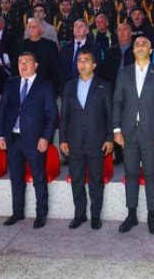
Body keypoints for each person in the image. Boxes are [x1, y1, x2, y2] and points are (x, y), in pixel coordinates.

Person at [113, 36, 154, 234]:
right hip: (128, 132)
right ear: (133, 50)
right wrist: (116, 129)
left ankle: (151, 216)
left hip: (151, 133)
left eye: (144, 44)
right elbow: (117, 103)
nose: (140, 46)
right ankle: (131, 215)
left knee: (151, 174)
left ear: (151, 49)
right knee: (130, 173)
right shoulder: (123, 73)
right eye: (137, 44)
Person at [0, 52, 58, 229]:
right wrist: (0, 135)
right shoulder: (11, 83)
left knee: (39, 178)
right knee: (15, 178)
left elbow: (52, 115)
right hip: (13, 139)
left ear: (35, 65)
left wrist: (46, 137)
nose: (23, 65)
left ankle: (41, 214)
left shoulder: (45, 85)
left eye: (27, 62)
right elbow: (2, 111)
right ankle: (17, 212)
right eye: (20, 62)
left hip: (35, 140)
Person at [59, 49, 113, 230]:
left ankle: (95, 217)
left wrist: (110, 138)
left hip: (96, 142)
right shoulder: (68, 86)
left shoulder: (104, 86)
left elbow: (110, 115)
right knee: (76, 180)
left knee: (96, 181)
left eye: (87, 60)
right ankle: (79, 215)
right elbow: (64, 115)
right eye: (80, 60)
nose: (82, 64)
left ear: (94, 65)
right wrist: (63, 139)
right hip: (74, 142)